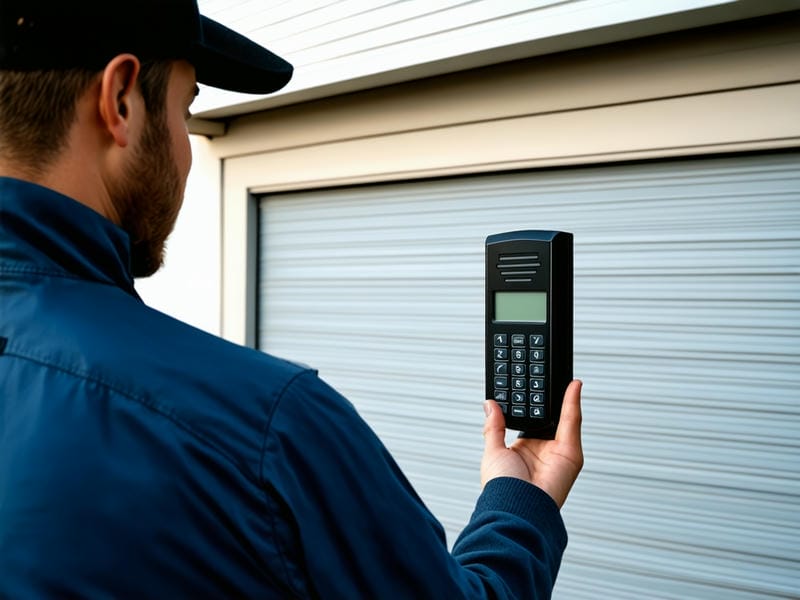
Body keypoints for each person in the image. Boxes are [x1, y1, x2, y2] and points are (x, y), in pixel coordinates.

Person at [0, 0, 584, 597]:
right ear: (121, 101)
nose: (183, 156)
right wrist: (524, 501)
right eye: (186, 108)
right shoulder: (269, 428)